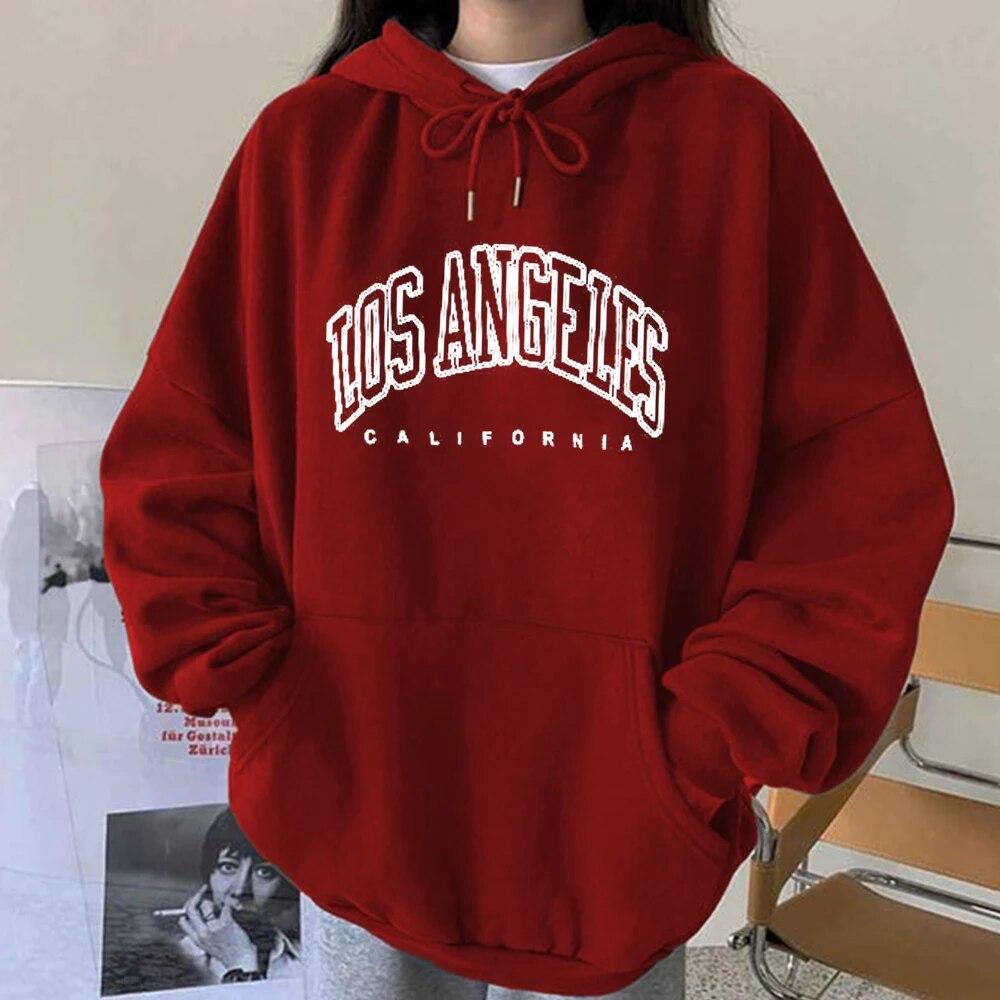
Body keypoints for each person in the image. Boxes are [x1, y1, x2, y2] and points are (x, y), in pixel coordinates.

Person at [99, 1, 955, 998]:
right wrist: (273, 696)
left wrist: (706, 742)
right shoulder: (307, 143)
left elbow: (856, 489)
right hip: (352, 804)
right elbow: (182, 454)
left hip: (625, 839)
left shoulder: (732, 139)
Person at [175, 807, 302, 983]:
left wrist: (240, 961)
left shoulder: (310, 961)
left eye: (264, 872)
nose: (240, 890)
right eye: (228, 867)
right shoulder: (178, 964)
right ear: (209, 876)